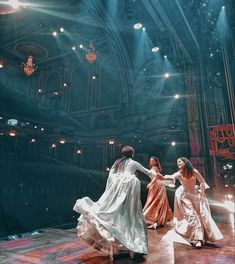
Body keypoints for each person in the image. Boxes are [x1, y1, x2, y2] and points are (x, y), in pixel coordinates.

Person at [73, 146, 160, 260]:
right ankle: (131, 247)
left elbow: (110, 176)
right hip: (129, 187)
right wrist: (158, 174)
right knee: (130, 215)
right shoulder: (133, 163)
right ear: (132, 154)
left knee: (117, 213)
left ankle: (117, 246)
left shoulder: (117, 162)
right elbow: (148, 172)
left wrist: (111, 187)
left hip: (117, 187)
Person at [163, 157, 223, 248]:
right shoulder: (179, 173)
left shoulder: (193, 171)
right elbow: (171, 177)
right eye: (177, 162)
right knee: (192, 217)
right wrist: (162, 177)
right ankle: (197, 240)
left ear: (185, 162)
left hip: (195, 197)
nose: (178, 163)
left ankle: (202, 237)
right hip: (186, 198)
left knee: (201, 217)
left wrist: (202, 191)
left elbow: (202, 181)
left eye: (179, 161)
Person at [143, 156, 173, 229]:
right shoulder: (155, 169)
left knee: (156, 202)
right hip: (157, 185)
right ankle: (158, 220)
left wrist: (151, 183)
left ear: (156, 162)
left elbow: (156, 176)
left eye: (153, 161)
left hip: (157, 185)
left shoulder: (154, 168)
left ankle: (157, 221)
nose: (151, 162)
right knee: (157, 202)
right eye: (150, 161)